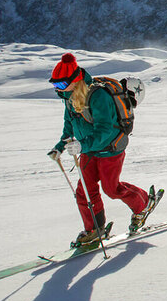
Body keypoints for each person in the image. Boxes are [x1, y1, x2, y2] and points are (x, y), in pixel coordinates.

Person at [47, 52, 160, 246]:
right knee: (84, 192)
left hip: (110, 148)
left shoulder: (97, 95)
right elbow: (69, 126)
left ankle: (143, 204)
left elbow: (106, 130)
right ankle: (94, 229)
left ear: (75, 80)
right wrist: (59, 148)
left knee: (111, 188)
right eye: (55, 85)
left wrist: (83, 145)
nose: (58, 89)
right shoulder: (69, 97)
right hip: (88, 150)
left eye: (61, 85)